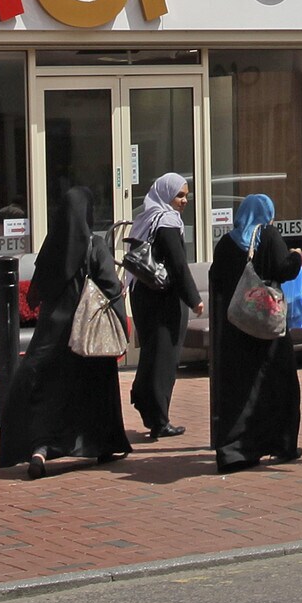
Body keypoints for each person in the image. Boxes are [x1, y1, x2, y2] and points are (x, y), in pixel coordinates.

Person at [0, 186, 131, 479]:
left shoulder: (52, 246)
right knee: (95, 392)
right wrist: (122, 326)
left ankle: (40, 450)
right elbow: (110, 287)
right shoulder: (95, 246)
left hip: (52, 336)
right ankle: (102, 444)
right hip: (88, 337)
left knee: (48, 395)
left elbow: (38, 290)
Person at [208, 192, 302, 473]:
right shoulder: (268, 235)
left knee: (240, 390)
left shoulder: (226, 242)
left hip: (236, 329)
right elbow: (284, 269)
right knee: (278, 385)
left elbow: (217, 279)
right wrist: (296, 258)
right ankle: (280, 444)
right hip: (267, 330)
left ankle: (235, 451)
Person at [125, 172, 201, 440]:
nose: (183, 201)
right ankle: (159, 418)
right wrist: (194, 299)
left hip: (144, 295)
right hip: (163, 298)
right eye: (179, 195)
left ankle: (148, 405)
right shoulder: (167, 222)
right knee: (164, 357)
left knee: (152, 353)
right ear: (166, 193)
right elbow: (178, 265)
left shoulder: (147, 219)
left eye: (186, 196)